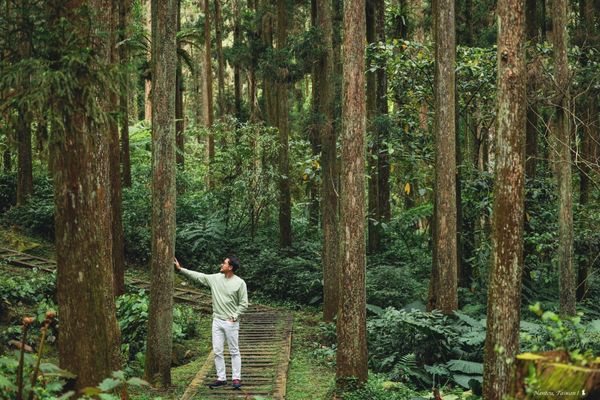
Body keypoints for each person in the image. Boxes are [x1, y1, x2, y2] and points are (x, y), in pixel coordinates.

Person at [174, 256, 248, 390]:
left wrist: (235, 316)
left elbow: (244, 304)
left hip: (231, 322)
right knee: (218, 350)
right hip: (217, 320)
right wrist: (180, 269)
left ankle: (236, 378)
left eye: (224, 263)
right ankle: (221, 378)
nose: (221, 264)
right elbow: (199, 276)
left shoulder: (240, 283)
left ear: (230, 267)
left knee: (234, 351)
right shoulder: (215, 278)